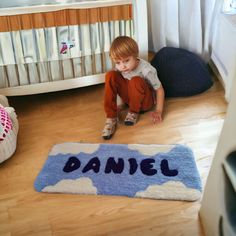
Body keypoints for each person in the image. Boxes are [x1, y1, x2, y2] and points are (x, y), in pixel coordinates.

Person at [102, 36, 165, 140]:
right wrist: (121, 104)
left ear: (135, 56)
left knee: (135, 80)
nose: (122, 66)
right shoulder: (120, 68)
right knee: (110, 75)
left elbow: (159, 89)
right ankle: (111, 117)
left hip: (144, 102)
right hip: (130, 98)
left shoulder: (146, 70)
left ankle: (133, 112)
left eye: (126, 61)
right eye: (118, 62)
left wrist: (159, 110)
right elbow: (119, 84)